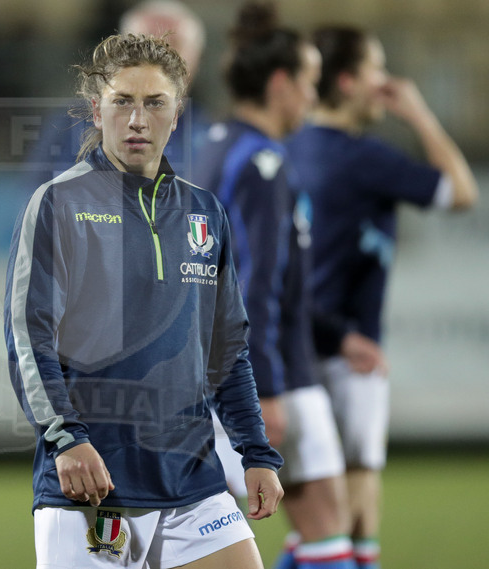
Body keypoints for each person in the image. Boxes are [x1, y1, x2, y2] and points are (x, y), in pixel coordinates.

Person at [4, 33, 284, 569]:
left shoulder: (206, 213)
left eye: (154, 103)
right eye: (122, 102)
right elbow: (26, 337)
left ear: (177, 113)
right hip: (91, 482)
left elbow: (227, 350)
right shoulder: (59, 203)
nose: (137, 120)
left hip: (192, 480)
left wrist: (255, 451)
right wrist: (66, 440)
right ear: (96, 109)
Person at [285, 25, 478, 569]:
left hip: (290, 345)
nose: (386, 82)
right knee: (352, 503)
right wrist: (418, 114)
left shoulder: (286, 145)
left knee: (318, 513)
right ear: (347, 82)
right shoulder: (364, 157)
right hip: (351, 350)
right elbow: (461, 191)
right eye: (376, 69)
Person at [194, 3, 366, 568]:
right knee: (326, 528)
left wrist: (336, 339)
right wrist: (266, 390)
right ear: (280, 83)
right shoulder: (261, 162)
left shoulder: (215, 145)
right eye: (310, 83)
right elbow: (256, 283)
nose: (314, 98)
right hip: (276, 373)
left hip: (221, 368)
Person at [23, 0, 209, 186]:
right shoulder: (69, 125)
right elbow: (41, 199)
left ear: (197, 56)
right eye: (145, 45)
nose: (159, 59)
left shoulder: (211, 134)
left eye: (173, 45)